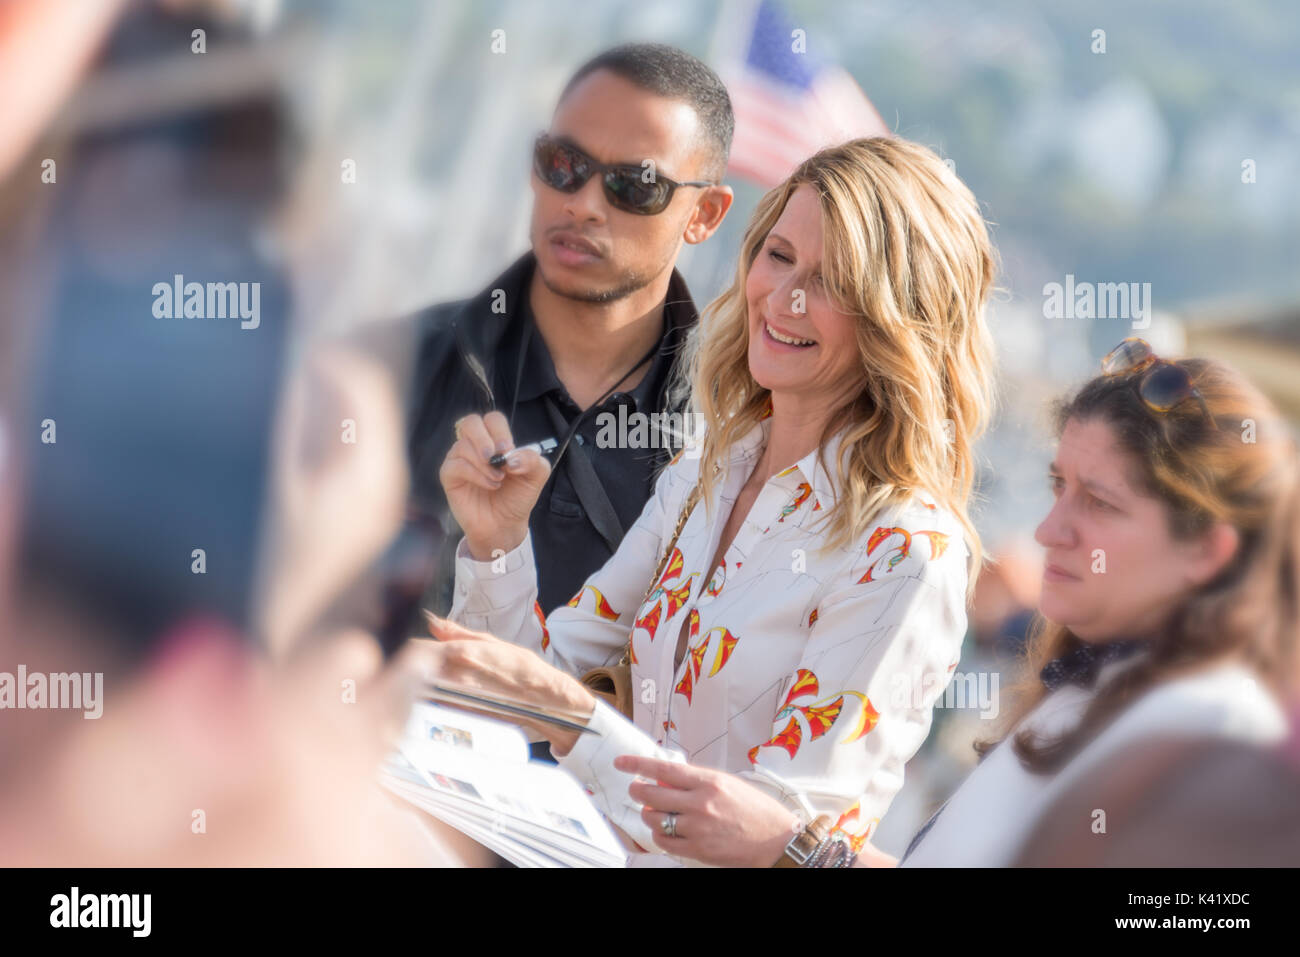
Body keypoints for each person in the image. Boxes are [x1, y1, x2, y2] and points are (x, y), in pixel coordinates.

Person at [417, 135, 999, 866]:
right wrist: (499, 542)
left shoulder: (909, 552)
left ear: (897, 321)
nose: (783, 297)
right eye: (779, 255)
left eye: (833, 282)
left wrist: (572, 719)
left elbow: (772, 839)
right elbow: (532, 685)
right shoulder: (703, 475)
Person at [616, 340, 1299, 866]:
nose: (1048, 530)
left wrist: (793, 847)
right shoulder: (1104, 691)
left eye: (1099, 503)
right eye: (1058, 485)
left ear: (1207, 550)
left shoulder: (1213, 732)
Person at [366, 43, 735, 623]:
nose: (583, 204)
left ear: (705, 214)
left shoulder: (734, 441)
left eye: (635, 185)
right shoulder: (386, 370)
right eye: (564, 164)